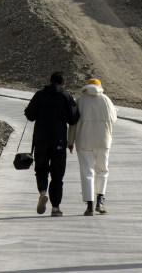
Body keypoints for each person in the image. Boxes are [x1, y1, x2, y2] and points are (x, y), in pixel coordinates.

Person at [25, 71, 80, 217]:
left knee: (41, 169)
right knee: (57, 175)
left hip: (41, 141)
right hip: (59, 142)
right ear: (64, 83)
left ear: (49, 80)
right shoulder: (67, 97)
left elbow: (29, 115)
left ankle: (43, 192)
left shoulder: (39, 95)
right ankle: (55, 208)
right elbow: (73, 118)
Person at [68, 78, 118, 216]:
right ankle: (100, 202)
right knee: (102, 170)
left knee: (87, 172)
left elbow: (73, 122)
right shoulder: (106, 100)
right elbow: (113, 118)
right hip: (103, 141)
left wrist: (70, 141)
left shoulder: (80, 100)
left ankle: (89, 206)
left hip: (84, 141)